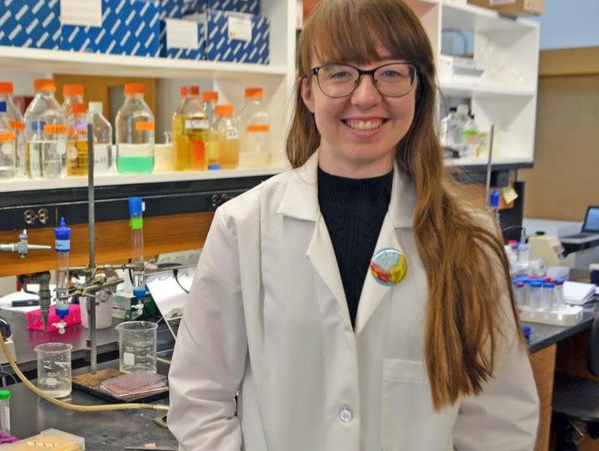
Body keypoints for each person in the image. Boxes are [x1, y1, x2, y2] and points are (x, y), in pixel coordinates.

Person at [167, 0, 539, 449]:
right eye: (340, 72)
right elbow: (199, 398)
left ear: (418, 87)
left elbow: (498, 419)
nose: (365, 96)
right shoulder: (242, 227)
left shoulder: (468, 237)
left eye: (391, 72)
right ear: (308, 92)